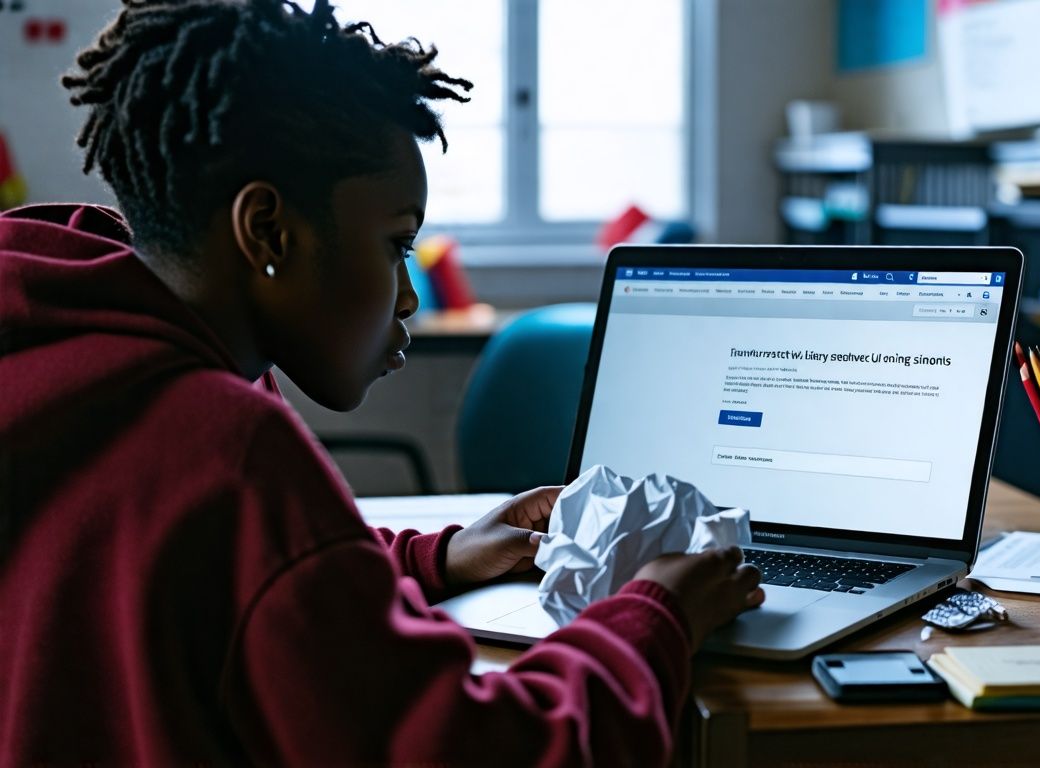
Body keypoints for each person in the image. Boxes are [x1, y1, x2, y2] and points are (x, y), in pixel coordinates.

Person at [0, 1, 763, 764]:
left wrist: (438, 558)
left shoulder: (60, 336)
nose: (406, 294)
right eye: (397, 243)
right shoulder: (227, 450)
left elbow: (227, 581)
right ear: (267, 230)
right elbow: (495, 754)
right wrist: (656, 611)